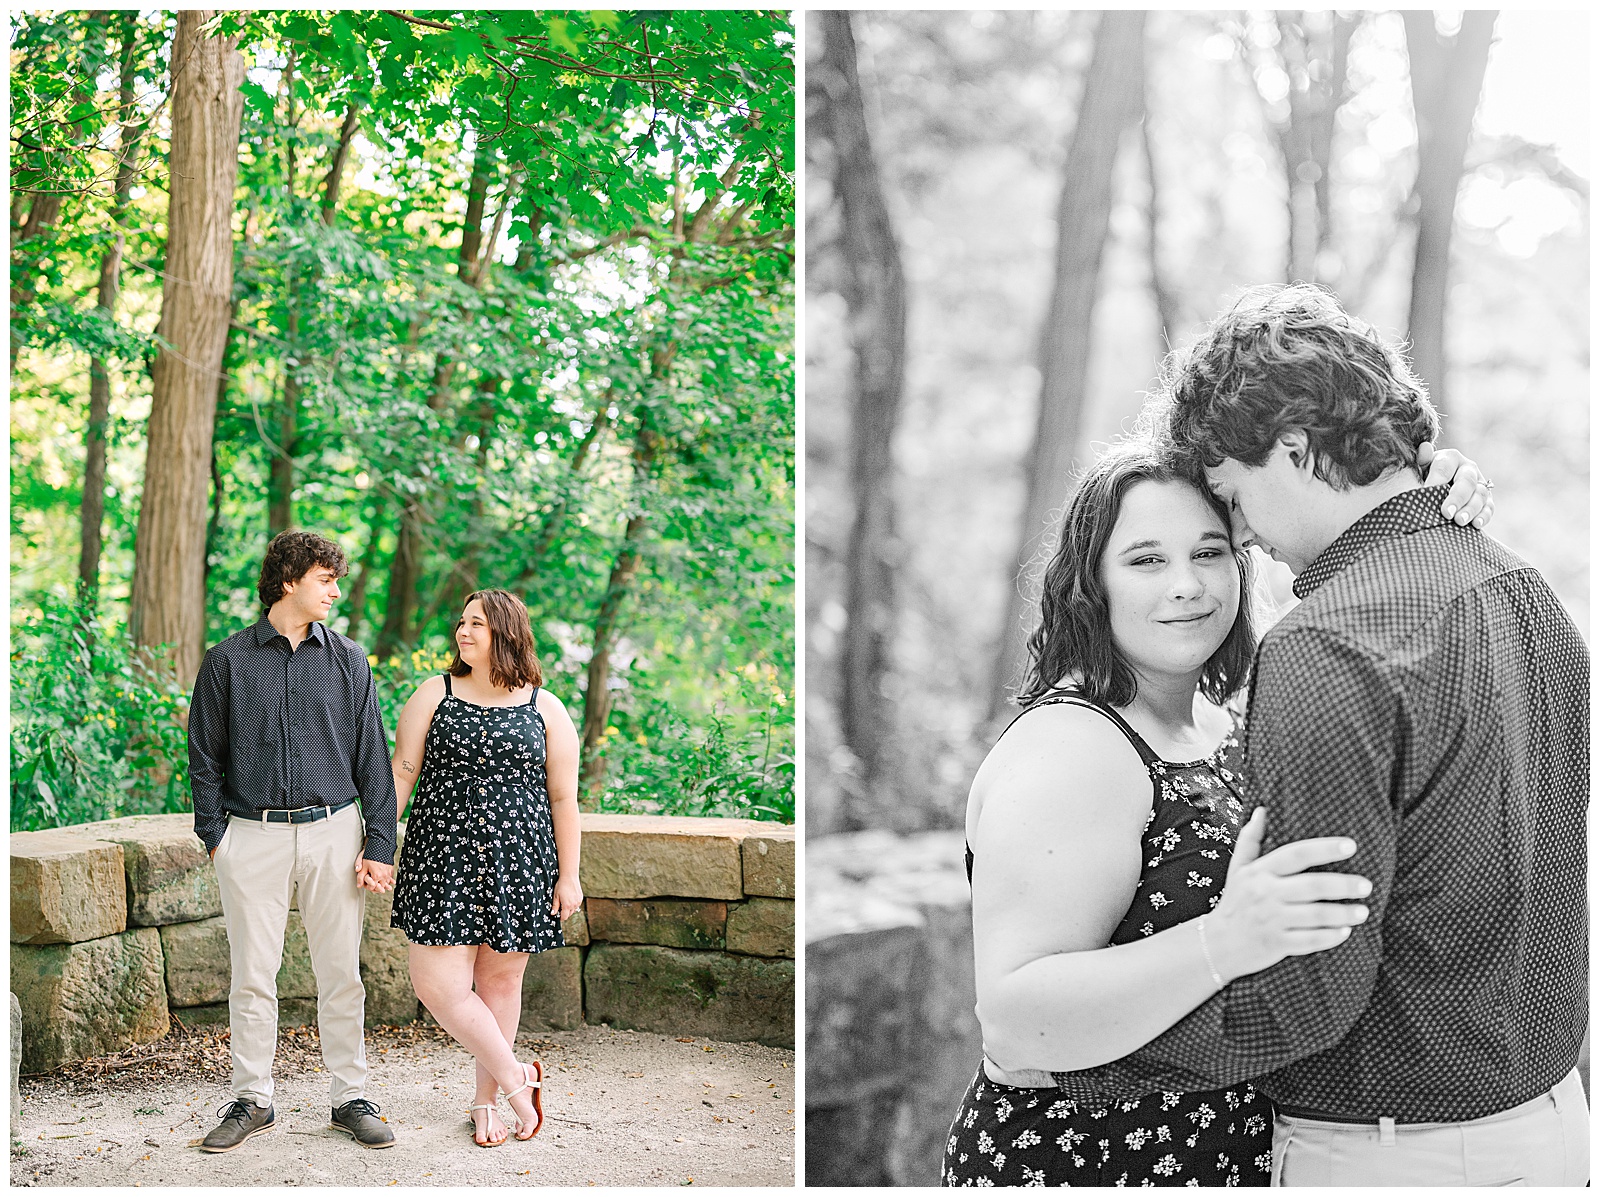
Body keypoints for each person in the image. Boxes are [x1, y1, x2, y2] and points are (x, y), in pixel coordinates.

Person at [1003, 285, 1589, 1187]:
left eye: (1230, 503)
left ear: (1291, 448)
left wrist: (1081, 1070)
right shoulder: (1520, 586)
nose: (1242, 537)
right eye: (1151, 557)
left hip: (1395, 1159)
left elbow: (1311, 990)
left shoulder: (1328, 644)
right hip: (1551, 1129)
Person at [941, 436, 1490, 1187]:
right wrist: (1224, 939)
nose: (1187, 585)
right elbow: (1016, 1015)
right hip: (1086, 1162)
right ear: (1090, 584)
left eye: (1209, 552)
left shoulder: (1219, 722)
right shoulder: (1074, 748)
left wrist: (1424, 493)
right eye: (1145, 560)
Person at [189, 530, 399, 1153]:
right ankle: (253, 1098)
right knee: (253, 976)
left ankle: (349, 1096)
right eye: (325, 579)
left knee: (341, 974)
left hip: (335, 832)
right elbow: (203, 753)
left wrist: (379, 844)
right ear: (288, 582)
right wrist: (215, 837)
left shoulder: (349, 661)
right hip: (249, 837)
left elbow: (374, 761)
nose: (336, 590)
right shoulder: (228, 660)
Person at [389, 588, 583, 1147]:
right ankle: (519, 1076)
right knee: (437, 986)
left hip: (519, 860)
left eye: (477, 623)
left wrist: (568, 876)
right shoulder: (434, 693)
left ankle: (486, 1102)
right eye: (461, 622)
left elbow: (564, 800)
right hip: (440, 858)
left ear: (506, 631)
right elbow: (403, 773)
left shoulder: (545, 707)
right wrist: (378, 843)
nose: (463, 632)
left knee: (500, 983)